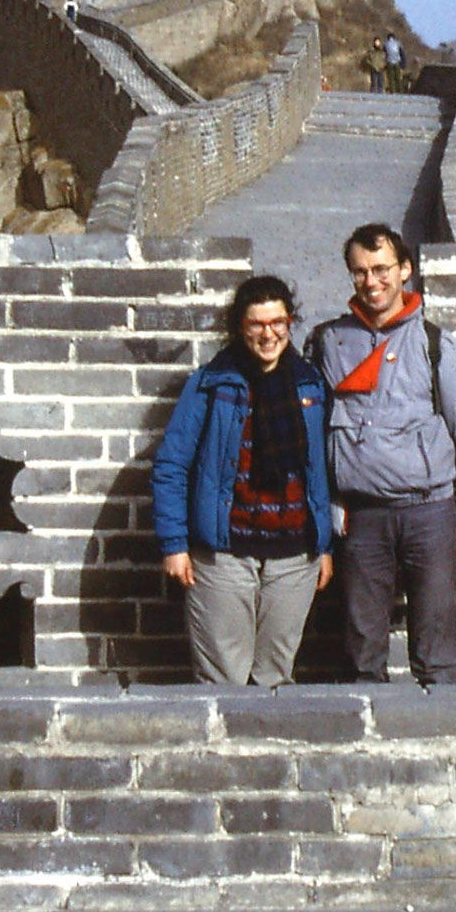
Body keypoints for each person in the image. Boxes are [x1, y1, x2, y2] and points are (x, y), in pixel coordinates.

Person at [306, 224, 456, 684]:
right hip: (362, 517)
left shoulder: (437, 346)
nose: (372, 282)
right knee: (362, 648)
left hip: (430, 512)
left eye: (382, 269)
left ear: (405, 270)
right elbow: (317, 435)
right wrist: (330, 511)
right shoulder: (328, 344)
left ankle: (440, 737)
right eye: (360, 272)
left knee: (435, 645)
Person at [153, 276, 333, 686]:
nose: (268, 334)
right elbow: (171, 466)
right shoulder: (210, 384)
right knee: (223, 678)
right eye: (256, 324)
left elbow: (319, 470)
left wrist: (323, 545)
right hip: (223, 553)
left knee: (275, 677)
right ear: (240, 327)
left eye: (277, 322)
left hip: (294, 555)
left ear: (290, 322)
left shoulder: (311, 385)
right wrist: (174, 543)